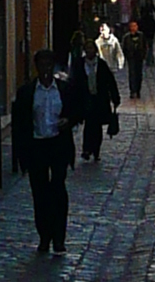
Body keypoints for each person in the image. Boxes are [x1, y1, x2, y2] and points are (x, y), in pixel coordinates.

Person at [10, 48, 73, 256]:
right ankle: (44, 236)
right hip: (37, 146)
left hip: (57, 145)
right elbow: (19, 125)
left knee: (58, 190)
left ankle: (59, 238)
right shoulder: (27, 92)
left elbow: (76, 109)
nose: (45, 70)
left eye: (48, 65)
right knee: (39, 193)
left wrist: (68, 120)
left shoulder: (63, 89)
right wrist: (21, 155)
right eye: (42, 65)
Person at [78, 39, 120, 163]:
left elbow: (110, 82)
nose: (89, 51)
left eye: (91, 49)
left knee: (96, 126)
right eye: (87, 49)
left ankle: (95, 150)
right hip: (86, 99)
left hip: (99, 99)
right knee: (89, 124)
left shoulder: (101, 65)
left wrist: (115, 97)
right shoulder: (80, 64)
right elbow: (75, 82)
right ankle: (86, 149)